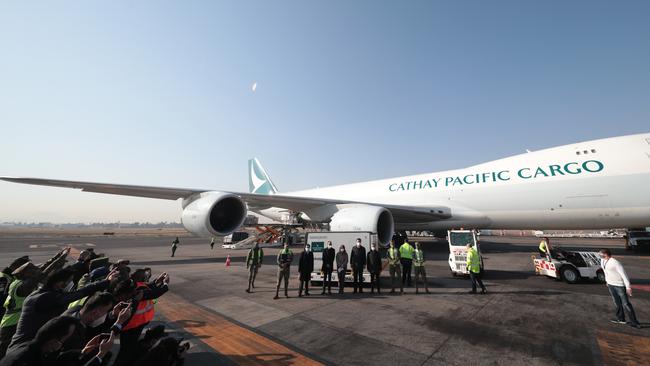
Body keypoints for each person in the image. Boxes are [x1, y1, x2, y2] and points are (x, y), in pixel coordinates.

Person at [7, 267, 117, 352]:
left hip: (29, 345)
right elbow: (78, 294)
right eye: (68, 281)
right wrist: (105, 282)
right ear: (58, 282)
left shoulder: (41, 293)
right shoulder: (45, 298)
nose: (68, 284)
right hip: (23, 348)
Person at [115, 270, 169, 366]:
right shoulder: (137, 292)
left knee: (127, 349)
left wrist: (157, 281)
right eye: (144, 276)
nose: (146, 277)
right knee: (126, 351)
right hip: (132, 326)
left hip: (135, 324)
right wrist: (165, 285)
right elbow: (154, 293)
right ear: (140, 278)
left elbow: (148, 287)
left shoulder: (135, 285)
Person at [0, 263, 41, 359]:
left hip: (10, 320)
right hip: (12, 322)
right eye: (32, 272)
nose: (34, 273)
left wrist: (59, 258)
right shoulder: (22, 287)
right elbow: (38, 277)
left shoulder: (16, 282)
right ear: (26, 274)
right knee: (4, 351)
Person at [599, 249, 641, 328]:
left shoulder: (615, 263)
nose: (599, 255)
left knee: (626, 304)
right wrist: (607, 281)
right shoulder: (602, 261)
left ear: (606, 254)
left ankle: (635, 322)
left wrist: (628, 287)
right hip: (611, 285)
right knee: (616, 302)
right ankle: (621, 319)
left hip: (619, 286)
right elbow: (605, 271)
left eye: (601, 254)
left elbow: (624, 275)